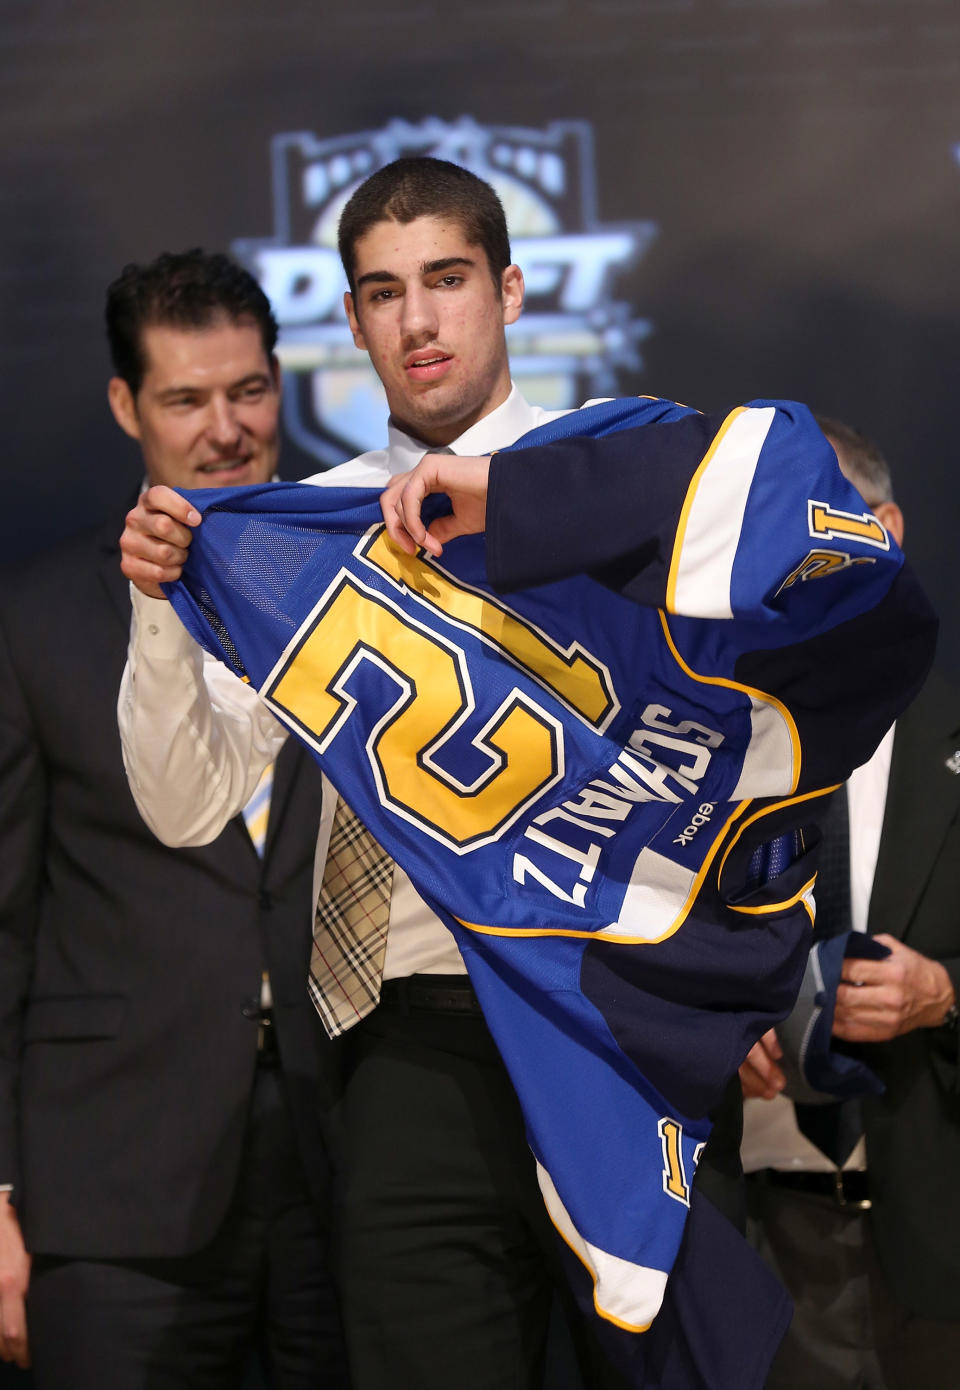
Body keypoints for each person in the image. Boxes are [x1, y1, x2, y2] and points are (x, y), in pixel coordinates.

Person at [115, 162, 935, 1390]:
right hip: (412, 1058)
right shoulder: (300, 535)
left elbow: (826, 532)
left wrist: (524, 501)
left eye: (446, 281)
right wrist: (165, 612)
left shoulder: (622, 469)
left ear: (506, 291)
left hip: (620, 1027)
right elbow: (186, 804)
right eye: (383, 293)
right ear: (350, 323)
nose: (418, 320)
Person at [0, 251, 347, 1389]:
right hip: (110, 1182)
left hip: (340, 1159)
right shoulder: (36, 617)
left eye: (247, 391)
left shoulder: (365, 588)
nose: (225, 428)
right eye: (186, 400)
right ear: (124, 405)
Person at [737, 418, 960, 1390]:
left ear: (893, 531)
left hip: (938, 1235)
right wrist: (707, 1029)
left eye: (831, 527)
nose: (807, 563)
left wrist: (947, 995)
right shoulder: (698, 746)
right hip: (750, 1244)